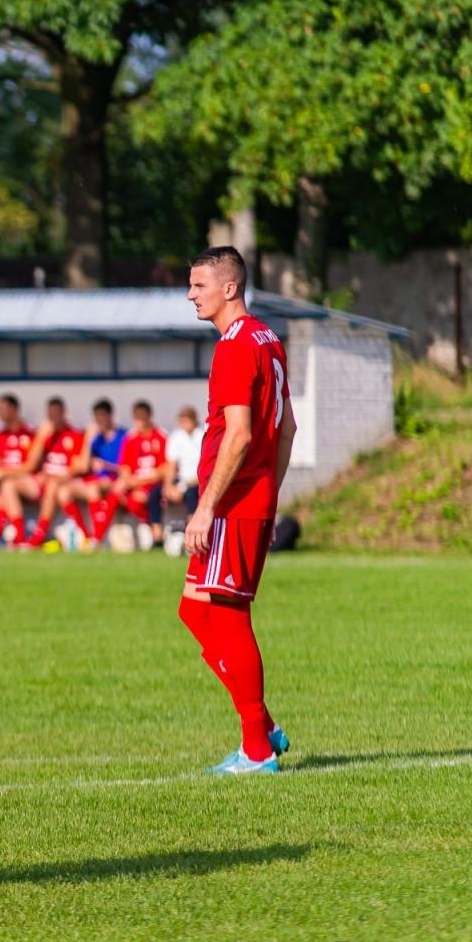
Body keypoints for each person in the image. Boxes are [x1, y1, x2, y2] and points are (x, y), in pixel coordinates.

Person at [180, 246, 296, 775]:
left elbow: (242, 433)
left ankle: (256, 750)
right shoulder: (269, 339)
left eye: (199, 285)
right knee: (194, 611)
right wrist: (271, 487)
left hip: (231, 504)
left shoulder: (234, 346)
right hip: (249, 497)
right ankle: (263, 727)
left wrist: (207, 507)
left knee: (227, 615)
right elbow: (287, 427)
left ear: (230, 287)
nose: (190, 294)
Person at [57, 398, 125, 547]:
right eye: (97, 417)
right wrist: (88, 440)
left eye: (102, 416)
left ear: (110, 416)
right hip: (93, 479)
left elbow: (126, 468)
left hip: (112, 479)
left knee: (93, 488)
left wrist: (107, 466)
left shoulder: (123, 436)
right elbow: (83, 466)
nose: (100, 420)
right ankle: (86, 536)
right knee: (63, 492)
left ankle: (97, 537)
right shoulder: (95, 438)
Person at [23, 396, 85, 548]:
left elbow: (80, 466)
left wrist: (59, 476)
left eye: (57, 414)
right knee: (8, 486)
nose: (54, 418)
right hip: (40, 482)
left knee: (54, 486)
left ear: (64, 413)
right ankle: (15, 537)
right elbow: (31, 463)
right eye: (51, 414)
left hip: (61, 482)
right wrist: (42, 438)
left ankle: (40, 534)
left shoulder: (74, 434)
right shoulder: (43, 434)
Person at [110, 400, 169, 548]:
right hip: (137, 485)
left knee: (141, 499)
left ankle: (157, 534)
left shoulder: (160, 436)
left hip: (155, 486)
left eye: (142, 417)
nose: (139, 421)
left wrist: (139, 483)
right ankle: (97, 539)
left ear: (149, 416)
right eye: (136, 417)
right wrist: (131, 482)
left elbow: (164, 470)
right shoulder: (130, 439)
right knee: (117, 492)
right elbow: (124, 469)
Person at [0, 394, 36, 545]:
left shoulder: (30, 434)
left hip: (28, 483)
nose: (0, 413)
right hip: (3, 484)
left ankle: (18, 537)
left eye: (3, 409)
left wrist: (5, 473)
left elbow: (31, 466)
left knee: (8, 486)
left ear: (15, 410)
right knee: (3, 493)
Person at [164, 405, 204, 518]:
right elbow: (171, 465)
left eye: (186, 420)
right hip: (181, 481)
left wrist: (183, 486)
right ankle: (157, 531)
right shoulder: (176, 437)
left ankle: (191, 522)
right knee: (155, 495)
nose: (183, 423)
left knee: (192, 494)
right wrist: (168, 487)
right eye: (181, 420)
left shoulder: (201, 436)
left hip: (197, 481)